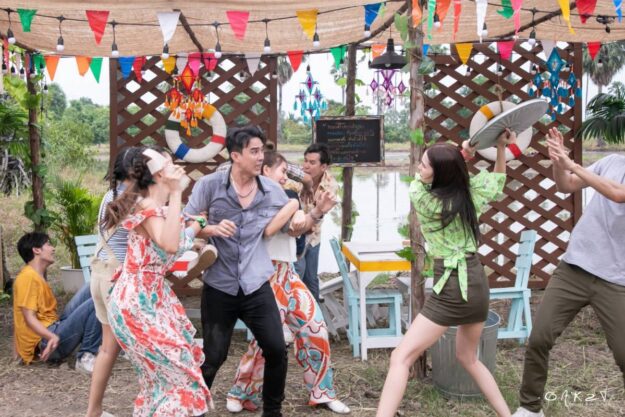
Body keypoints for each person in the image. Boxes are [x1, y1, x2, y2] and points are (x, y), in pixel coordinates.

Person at [376, 131, 516, 417]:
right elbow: (497, 180)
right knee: (469, 357)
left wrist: (464, 152)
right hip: (476, 282)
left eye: (424, 164)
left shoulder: (423, 198)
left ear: (438, 174)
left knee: (400, 357)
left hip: (450, 286)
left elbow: (419, 184)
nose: (419, 167)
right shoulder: (469, 195)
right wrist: (501, 148)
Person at [226, 150, 350, 415]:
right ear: (265, 171)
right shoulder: (251, 200)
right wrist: (306, 212)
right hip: (264, 276)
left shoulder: (289, 196)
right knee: (265, 342)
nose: (286, 176)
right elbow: (285, 228)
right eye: (282, 171)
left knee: (316, 329)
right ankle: (240, 392)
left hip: (287, 274)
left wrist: (315, 212)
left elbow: (299, 227)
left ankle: (322, 392)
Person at [511, 128, 625, 417]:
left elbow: (617, 194)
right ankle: (529, 408)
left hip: (616, 280)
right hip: (574, 269)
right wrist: (558, 162)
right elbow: (567, 185)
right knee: (539, 338)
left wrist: (571, 163)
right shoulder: (612, 161)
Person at [185, 125, 294, 417]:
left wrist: (311, 213)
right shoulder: (209, 185)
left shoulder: (271, 189)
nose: (260, 157)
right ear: (235, 155)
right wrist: (211, 229)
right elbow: (187, 223)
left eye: (262, 151)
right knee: (213, 357)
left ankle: (273, 412)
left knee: (276, 349)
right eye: (254, 152)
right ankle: (192, 409)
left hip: (256, 284)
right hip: (220, 285)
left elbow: (290, 227)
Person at [104, 147, 212, 417]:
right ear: (159, 175)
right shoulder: (147, 207)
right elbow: (170, 244)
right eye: (169, 164)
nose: (177, 167)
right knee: (181, 379)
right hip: (137, 305)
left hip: (150, 300)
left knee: (163, 381)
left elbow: (174, 241)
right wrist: (176, 194)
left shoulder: (155, 207)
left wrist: (194, 222)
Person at [13, 232, 102, 372]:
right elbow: (28, 317)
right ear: (36, 250)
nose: (53, 249)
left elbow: (19, 318)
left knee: (92, 286)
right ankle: (85, 357)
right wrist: (51, 337)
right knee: (98, 301)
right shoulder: (27, 277)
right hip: (47, 342)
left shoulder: (35, 275)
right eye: (48, 244)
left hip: (54, 327)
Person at [294, 143, 338, 301]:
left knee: (311, 278)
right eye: (305, 161)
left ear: (323, 167)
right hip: (293, 234)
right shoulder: (294, 178)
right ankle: (294, 311)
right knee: (297, 274)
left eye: (312, 162)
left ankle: (314, 314)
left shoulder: (331, 185)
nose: (306, 166)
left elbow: (322, 212)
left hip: (313, 235)